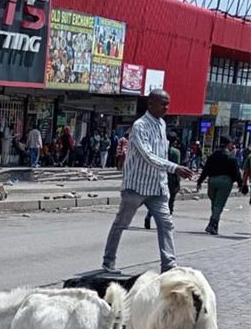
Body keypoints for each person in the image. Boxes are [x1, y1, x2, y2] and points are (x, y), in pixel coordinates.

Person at [101, 90, 194, 273]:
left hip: (157, 188)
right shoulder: (140, 126)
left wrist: (165, 184)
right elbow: (148, 156)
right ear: (151, 103)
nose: (166, 108)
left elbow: (161, 154)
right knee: (121, 224)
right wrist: (175, 168)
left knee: (166, 224)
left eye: (168, 104)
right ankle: (108, 261)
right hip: (136, 186)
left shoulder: (161, 124)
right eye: (163, 104)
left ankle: (169, 266)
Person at [196, 136, 243, 235]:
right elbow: (236, 172)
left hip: (212, 180)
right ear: (228, 144)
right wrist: (240, 184)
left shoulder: (212, 156)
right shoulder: (231, 157)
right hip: (225, 182)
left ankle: (214, 224)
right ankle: (212, 225)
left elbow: (205, 170)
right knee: (219, 205)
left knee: (214, 203)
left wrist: (199, 182)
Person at [145, 132, 181, 229]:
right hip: (171, 178)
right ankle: (167, 221)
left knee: (156, 199)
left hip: (158, 176)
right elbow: (176, 167)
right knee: (170, 200)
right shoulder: (176, 152)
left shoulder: (159, 149)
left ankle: (149, 215)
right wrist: (178, 180)